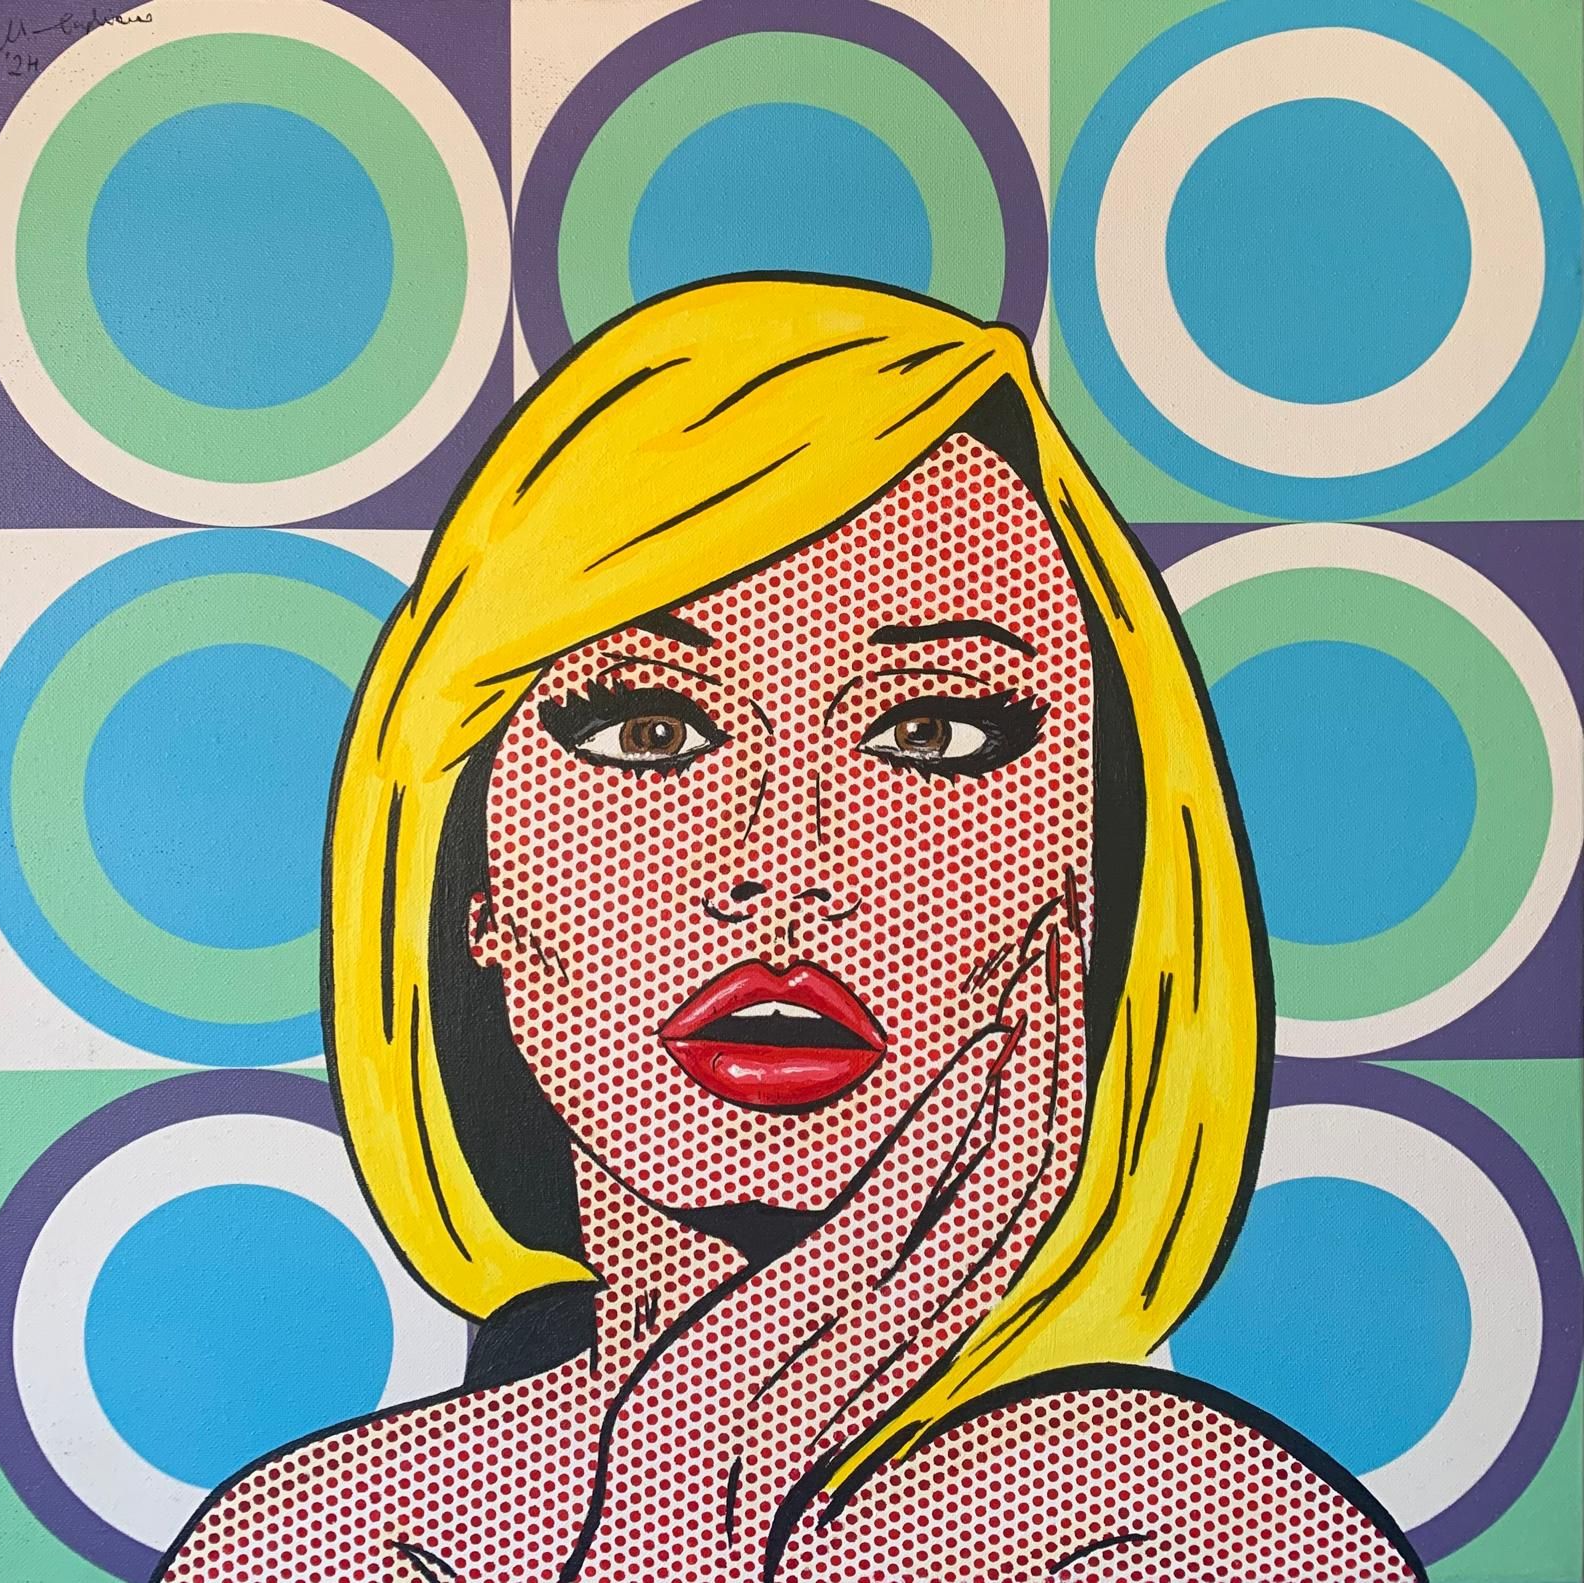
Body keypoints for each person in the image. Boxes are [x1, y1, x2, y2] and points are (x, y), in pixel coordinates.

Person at [156, 278, 1423, 1582]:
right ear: (468, 867)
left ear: (1101, 860)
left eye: (933, 733)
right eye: (650, 729)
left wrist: (718, 1450)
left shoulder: (1215, 1532)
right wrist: (693, 1471)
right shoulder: (318, 1536)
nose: (785, 866)